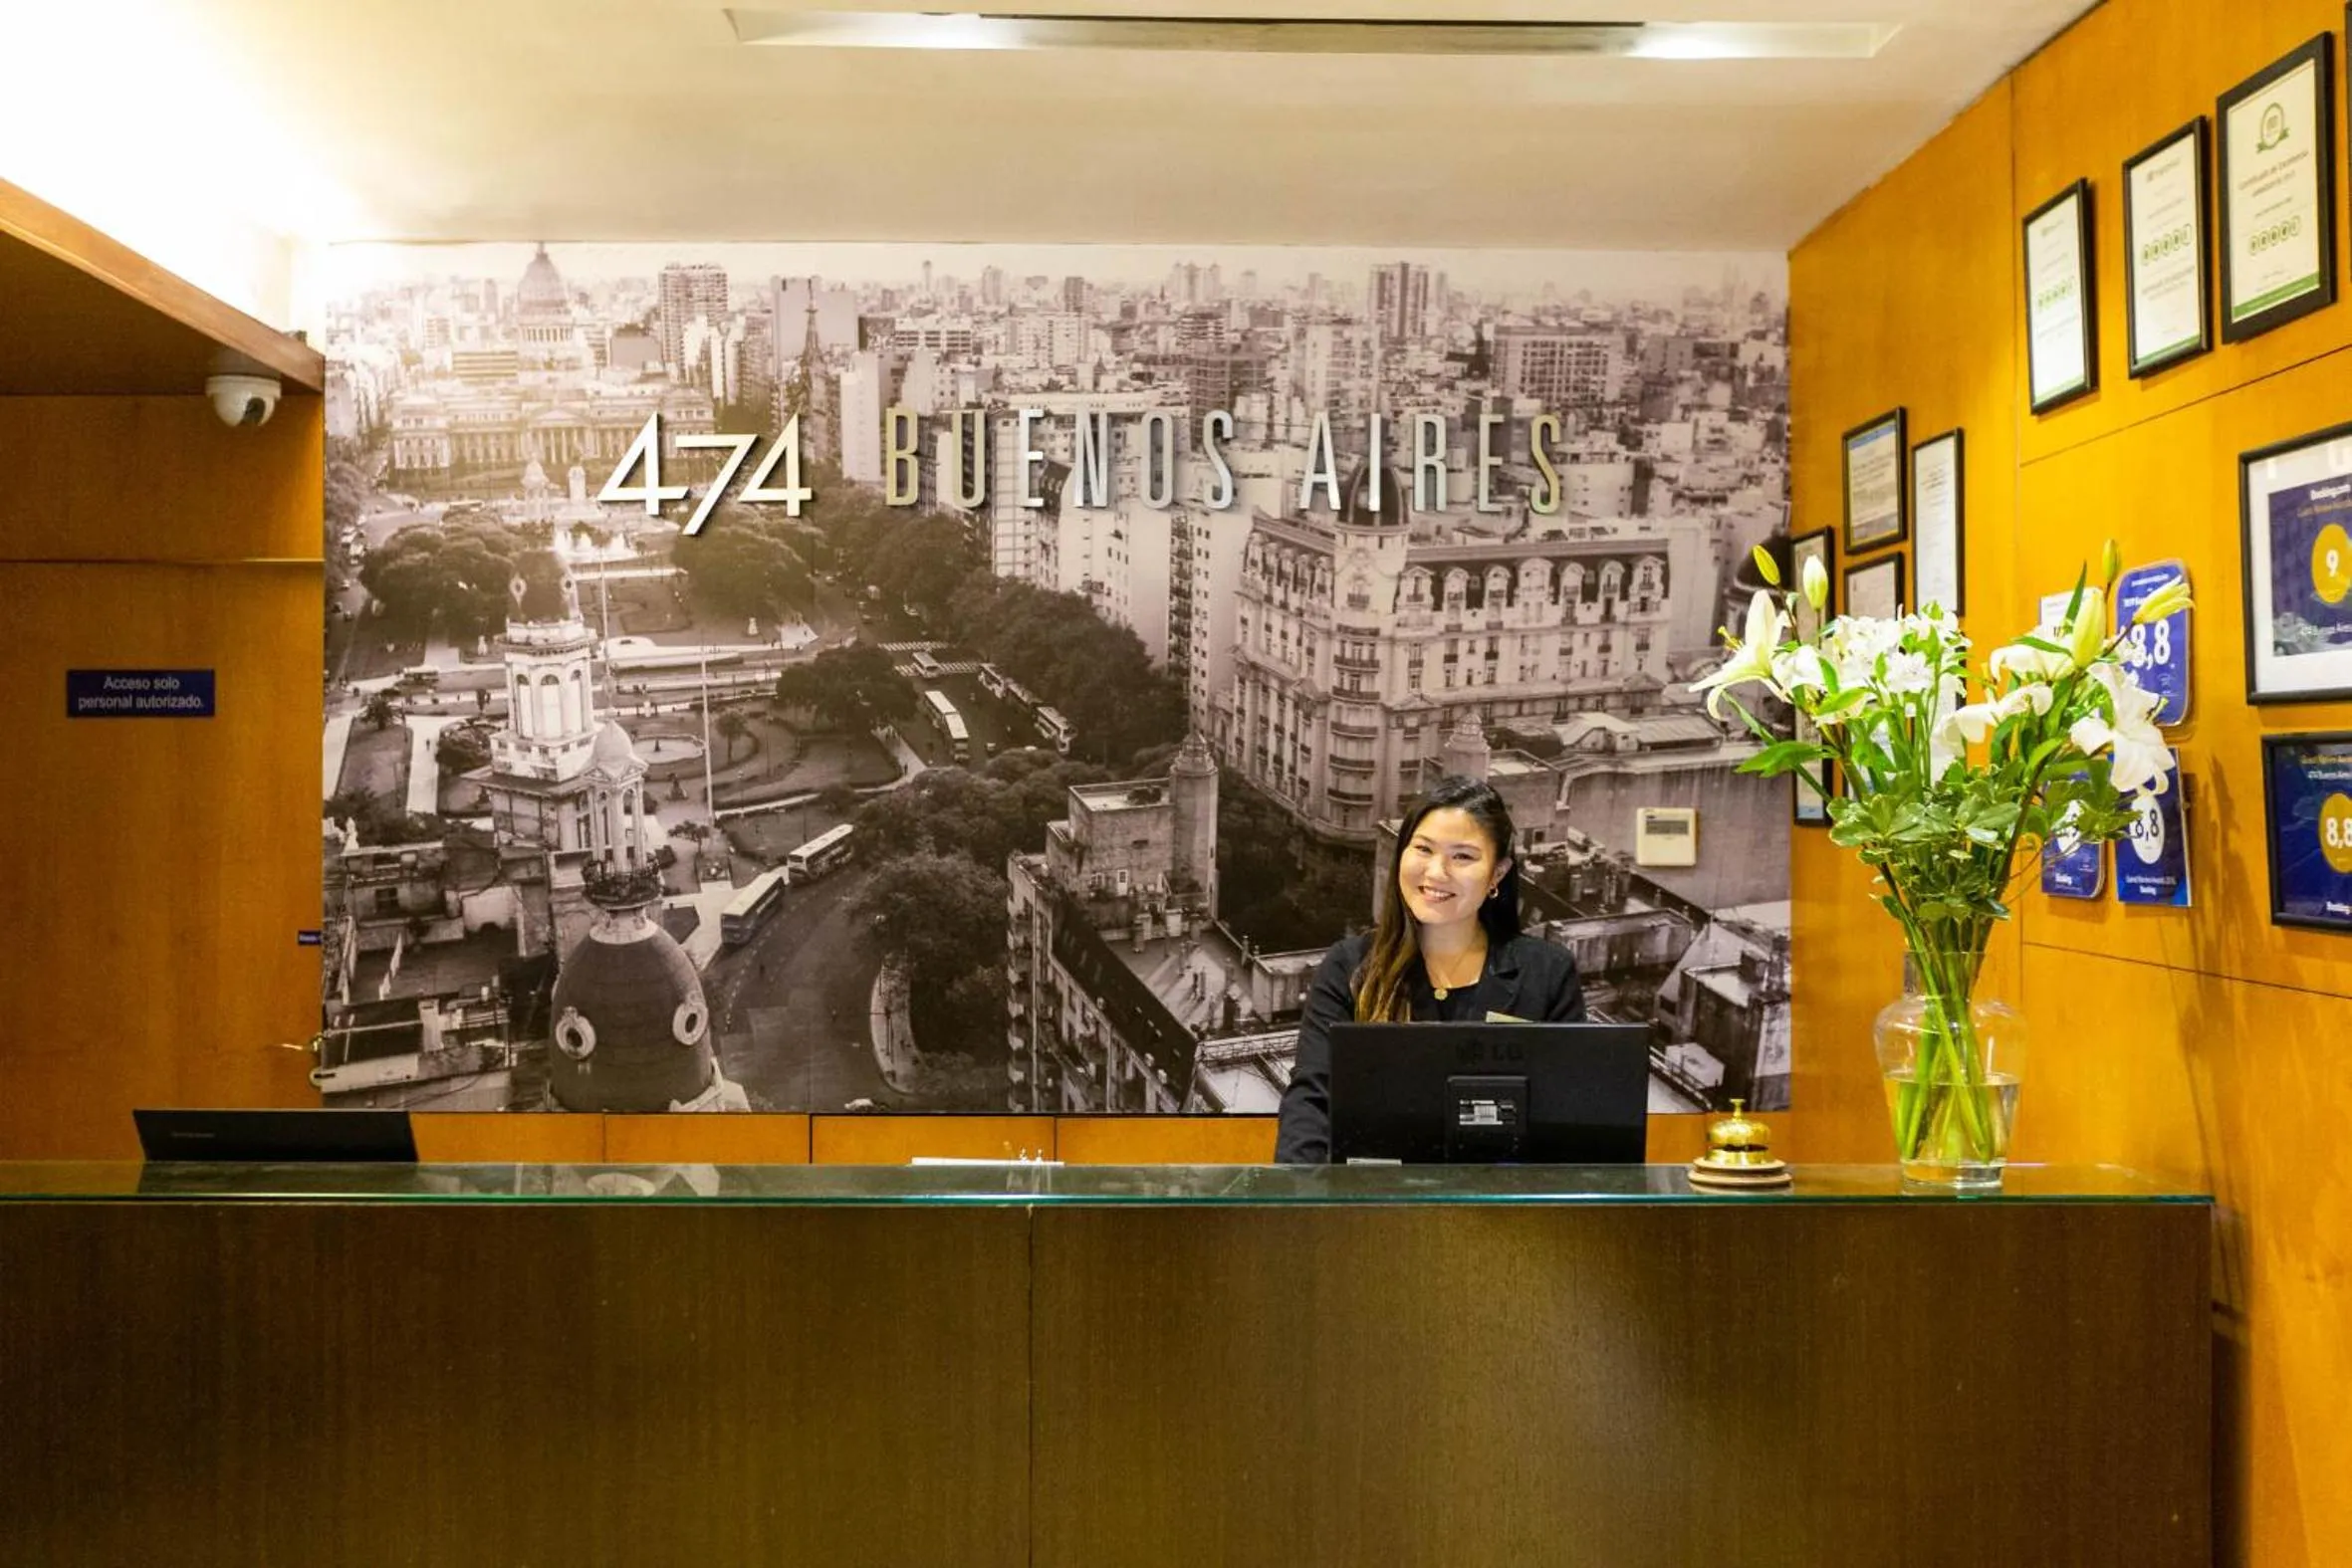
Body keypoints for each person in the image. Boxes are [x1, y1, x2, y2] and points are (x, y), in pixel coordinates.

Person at [1274, 774, 1585, 1165]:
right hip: (1373, 1211)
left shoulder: (1547, 974)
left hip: (1498, 1213)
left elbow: (1567, 1128)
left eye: (1463, 856)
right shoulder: (1349, 967)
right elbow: (1310, 1104)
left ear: (1498, 874)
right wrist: (1300, 1205)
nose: (1437, 872)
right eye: (1423, 849)